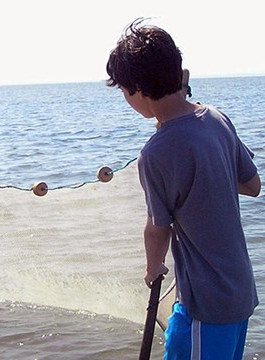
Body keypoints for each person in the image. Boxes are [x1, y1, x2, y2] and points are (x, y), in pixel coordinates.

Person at [106, 19, 261, 359]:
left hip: (204, 306)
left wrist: (152, 268)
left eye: (123, 91)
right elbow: (252, 185)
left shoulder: (156, 152)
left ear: (136, 90)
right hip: (240, 293)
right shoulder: (217, 120)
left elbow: (157, 229)